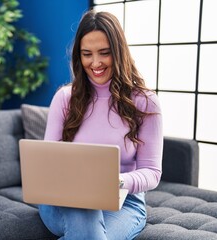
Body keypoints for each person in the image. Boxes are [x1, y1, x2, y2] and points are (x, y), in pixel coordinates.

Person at [38, 9, 163, 240]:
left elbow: (152, 172)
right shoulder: (65, 98)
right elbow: (48, 162)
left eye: (104, 53)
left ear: (118, 52)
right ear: (79, 56)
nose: (95, 63)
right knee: (84, 212)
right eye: (87, 54)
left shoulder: (145, 102)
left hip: (125, 202)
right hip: (64, 200)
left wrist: (116, 181)